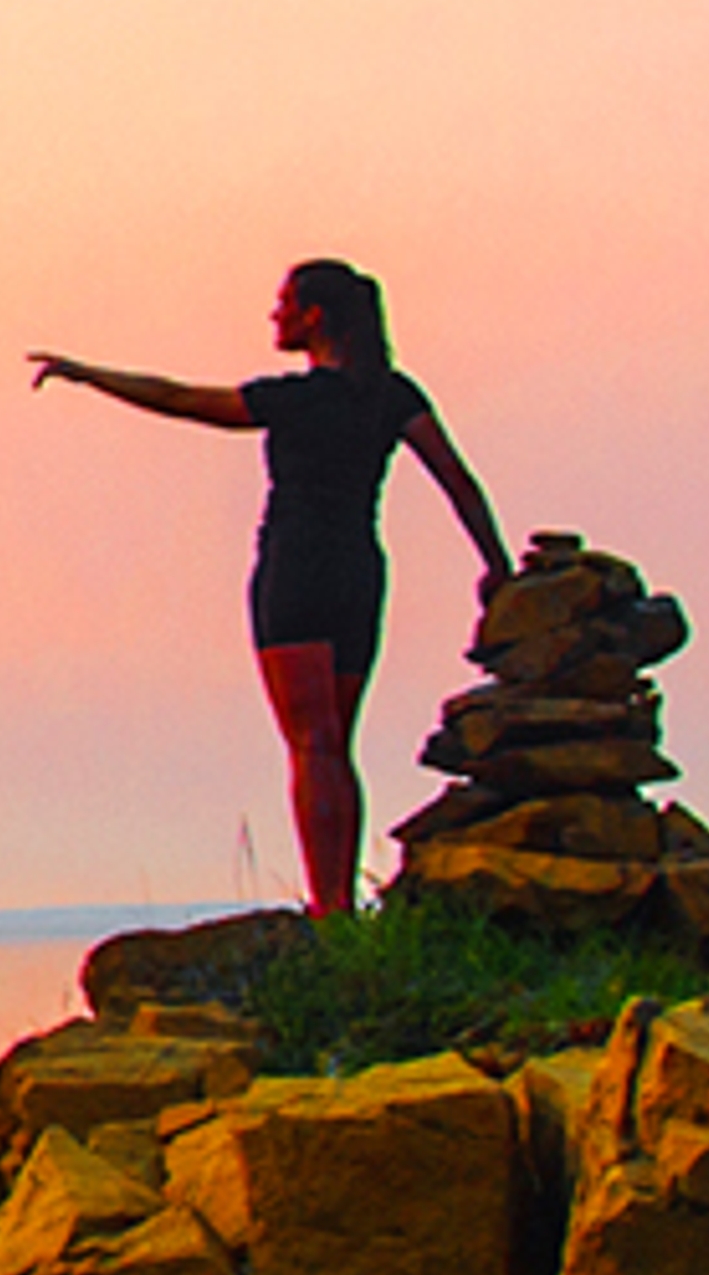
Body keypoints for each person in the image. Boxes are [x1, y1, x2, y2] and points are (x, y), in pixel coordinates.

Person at [28, 262, 511, 916]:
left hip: (297, 570)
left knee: (310, 744)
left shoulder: (295, 399)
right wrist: (496, 565)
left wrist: (88, 374)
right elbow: (459, 482)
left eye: (283, 304)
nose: (273, 316)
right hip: (359, 572)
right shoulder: (392, 395)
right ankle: (337, 900)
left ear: (314, 316)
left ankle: (329, 908)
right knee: (336, 744)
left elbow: (182, 399)